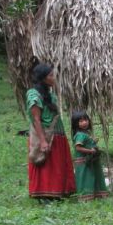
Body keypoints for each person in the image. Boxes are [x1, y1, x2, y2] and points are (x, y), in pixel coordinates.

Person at [26, 63, 76, 200]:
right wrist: (42, 141)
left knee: (57, 166)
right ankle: (44, 195)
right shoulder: (33, 94)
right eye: (51, 75)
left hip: (57, 134)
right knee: (46, 164)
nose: (54, 78)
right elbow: (36, 119)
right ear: (42, 78)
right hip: (45, 134)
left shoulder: (50, 94)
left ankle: (59, 192)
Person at [71, 110, 109, 200]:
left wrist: (93, 142)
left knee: (93, 176)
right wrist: (90, 151)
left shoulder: (85, 133)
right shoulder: (80, 135)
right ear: (76, 124)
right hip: (84, 161)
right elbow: (78, 148)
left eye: (86, 120)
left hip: (90, 160)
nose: (84, 123)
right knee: (86, 178)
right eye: (81, 121)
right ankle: (86, 196)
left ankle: (95, 194)